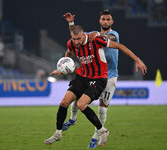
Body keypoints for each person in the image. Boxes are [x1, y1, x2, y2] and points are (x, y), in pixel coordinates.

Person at [44, 25, 147, 147]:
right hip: (82, 77)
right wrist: (61, 69)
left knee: (81, 104)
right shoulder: (71, 43)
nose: (76, 42)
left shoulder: (95, 40)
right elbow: (69, 52)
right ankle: (57, 133)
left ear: (84, 35)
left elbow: (119, 46)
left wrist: (137, 60)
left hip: (98, 79)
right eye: (74, 39)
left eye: (79, 39)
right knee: (64, 102)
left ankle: (102, 130)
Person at [62, 10, 124, 148]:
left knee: (102, 109)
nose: (106, 22)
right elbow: (76, 35)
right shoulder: (92, 34)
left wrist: (98, 35)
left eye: (108, 19)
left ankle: (96, 136)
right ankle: (72, 119)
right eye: (103, 19)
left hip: (110, 75)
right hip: (93, 74)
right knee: (77, 97)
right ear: (100, 21)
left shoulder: (114, 34)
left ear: (112, 22)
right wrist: (71, 23)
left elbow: (111, 39)